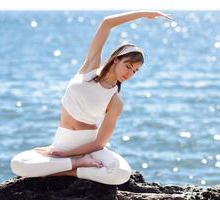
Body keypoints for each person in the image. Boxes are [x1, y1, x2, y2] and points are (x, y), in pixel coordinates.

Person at [10, 10, 172, 185]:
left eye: (135, 71)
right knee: (18, 164)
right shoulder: (90, 68)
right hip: (61, 143)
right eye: (128, 66)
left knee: (120, 173)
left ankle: (68, 169)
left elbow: (100, 143)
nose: (130, 73)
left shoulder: (115, 100)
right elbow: (106, 23)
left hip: (89, 148)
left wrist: (67, 155)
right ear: (116, 59)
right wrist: (143, 14)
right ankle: (76, 167)